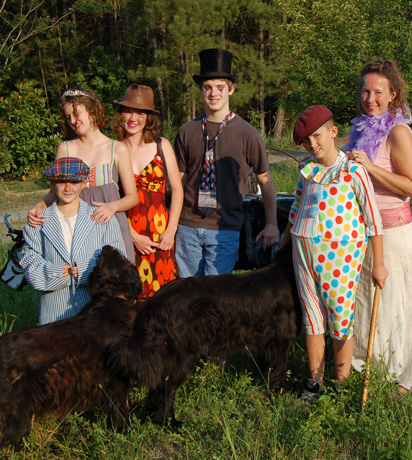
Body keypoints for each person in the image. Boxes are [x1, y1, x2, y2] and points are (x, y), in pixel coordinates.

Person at [280, 105, 388, 403]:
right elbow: (296, 207)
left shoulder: (352, 171)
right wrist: (284, 243)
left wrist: (379, 263)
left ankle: (341, 384)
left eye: (317, 136)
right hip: (303, 252)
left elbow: (373, 219)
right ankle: (314, 382)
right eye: (306, 140)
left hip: (339, 256)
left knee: (340, 318)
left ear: (333, 132)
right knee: (312, 317)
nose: (312, 144)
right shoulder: (307, 172)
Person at [345, 58, 412, 394]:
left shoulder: (398, 132)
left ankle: (409, 374)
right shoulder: (359, 130)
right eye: (365, 91)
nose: (370, 99)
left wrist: (370, 168)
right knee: (368, 304)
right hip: (364, 232)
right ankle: (374, 367)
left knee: (397, 304)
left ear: (393, 94)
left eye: (378, 92)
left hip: (393, 233)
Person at [173, 48, 279, 277]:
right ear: (201, 90)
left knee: (217, 295)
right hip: (187, 226)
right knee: (188, 293)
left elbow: (265, 180)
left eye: (220, 87)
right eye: (208, 87)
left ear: (231, 89)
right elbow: (176, 180)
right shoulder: (186, 131)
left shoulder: (247, 134)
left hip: (224, 228)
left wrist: (272, 223)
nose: (213, 93)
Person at [27, 87, 138, 264]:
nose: (73, 121)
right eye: (68, 117)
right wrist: (40, 206)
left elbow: (132, 197)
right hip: (76, 230)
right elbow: (55, 192)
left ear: (92, 110)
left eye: (77, 114)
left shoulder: (117, 149)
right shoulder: (65, 149)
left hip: (111, 227)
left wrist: (112, 206)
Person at [20, 157, 126, 325]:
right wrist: (56, 273)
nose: (68, 188)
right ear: (52, 183)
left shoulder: (102, 218)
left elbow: (118, 261)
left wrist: (86, 271)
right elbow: (29, 264)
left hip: (96, 315)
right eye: (62, 182)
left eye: (74, 182)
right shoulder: (38, 223)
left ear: (84, 183)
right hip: (54, 316)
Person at [113, 84, 184, 297]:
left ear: (149, 117)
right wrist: (132, 236)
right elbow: (110, 199)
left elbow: (178, 190)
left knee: (164, 298)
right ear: (120, 114)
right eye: (128, 111)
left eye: (140, 113)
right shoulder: (112, 149)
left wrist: (171, 230)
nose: (133, 118)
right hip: (125, 234)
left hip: (160, 235)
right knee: (129, 296)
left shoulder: (162, 145)